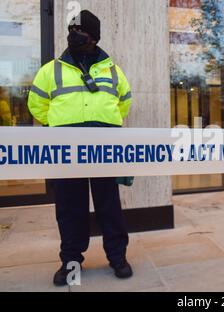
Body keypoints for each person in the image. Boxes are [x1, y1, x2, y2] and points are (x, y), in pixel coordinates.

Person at [27, 10, 133, 286]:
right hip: (66, 150)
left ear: (94, 37)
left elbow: (125, 102)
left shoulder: (112, 70)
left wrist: (106, 125)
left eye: (80, 32)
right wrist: (58, 126)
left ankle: (117, 257)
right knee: (70, 207)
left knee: (109, 205)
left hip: (104, 149)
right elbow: (36, 104)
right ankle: (71, 261)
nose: (74, 36)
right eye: (71, 31)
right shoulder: (52, 69)